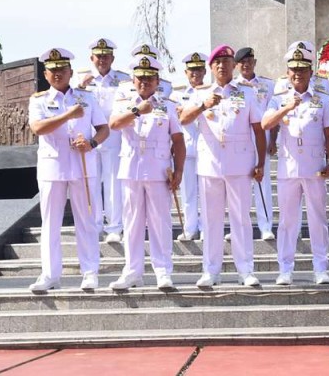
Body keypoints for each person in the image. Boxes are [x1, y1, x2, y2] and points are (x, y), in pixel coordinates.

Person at [180, 45, 267, 288]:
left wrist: (260, 162)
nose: (222, 66)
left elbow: (258, 130)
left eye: (226, 62)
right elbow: (183, 119)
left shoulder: (247, 93)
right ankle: (211, 270)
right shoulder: (201, 93)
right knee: (211, 220)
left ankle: (245, 270)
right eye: (217, 62)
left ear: (234, 65)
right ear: (210, 68)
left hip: (240, 165)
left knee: (241, 219)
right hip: (210, 165)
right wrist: (203, 105)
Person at [28, 48, 109, 292]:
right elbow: (38, 127)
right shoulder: (39, 99)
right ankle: (50, 274)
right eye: (52, 71)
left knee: (86, 220)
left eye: (62, 70)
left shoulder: (86, 97)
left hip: (82, 165)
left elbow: (104, 129)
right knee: (50, 222)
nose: (57, 74)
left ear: (70, 72)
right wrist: (67, 115)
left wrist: (92, 143)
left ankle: (90, 272)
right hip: (53, 166)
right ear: (45, 73)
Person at [108, 55, 186, 290]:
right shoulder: (123, 102)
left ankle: (163, 271)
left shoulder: (168, 105)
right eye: (140, 77)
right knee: (132, 222)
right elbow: (113, 124)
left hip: (159, 169)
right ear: (133, 79)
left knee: (160, 222)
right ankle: (132, 271)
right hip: (131, 168)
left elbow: (178, 140)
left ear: (157, 80)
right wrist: (136, 111)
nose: (145, 82)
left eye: (150, 78)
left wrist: (180, 169)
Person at [262, 45, 329, 285]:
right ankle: (285, 268)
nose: (298, 74)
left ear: (310, 71)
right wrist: (286, 107)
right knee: (287, 221)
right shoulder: (278, 99)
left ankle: (320, 267)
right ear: (287, 71)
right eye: (294, 69)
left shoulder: (322, 99)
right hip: (289, 167)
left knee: (318, 219)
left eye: (303, 69)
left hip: (315, 167)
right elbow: (265, 124)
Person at [74, 38, 130, 241]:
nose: (103, 59)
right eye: (99, 56)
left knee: (114, 181)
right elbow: (72, 103)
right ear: (92, 58)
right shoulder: (81, 79)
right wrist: (80, 86)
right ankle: (95, 224)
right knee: (92, 181)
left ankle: (114, 227)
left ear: (112, 58)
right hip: (89, 136)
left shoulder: (124, 80)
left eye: (106, 56)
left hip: (114, 135)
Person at [235, 46, 277, 241]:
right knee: (239, 186)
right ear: (237, 65)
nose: (246, 65)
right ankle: (237, 226)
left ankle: (265, 225)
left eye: (249, 61)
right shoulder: (233, 87)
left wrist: (273, 139)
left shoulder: (268, 85)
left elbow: (274, 113)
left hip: (262, 138)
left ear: (255, 63)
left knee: (263, 183)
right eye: (242, 62)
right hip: (239, 141)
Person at [169, 52, 209, 241]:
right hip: (186, 148)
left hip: (208, 149)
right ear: (186, 72)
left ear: (205, 71)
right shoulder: (177, 94)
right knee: (188, 192)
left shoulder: (211, 92)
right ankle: (190, 227)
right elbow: (175, 120)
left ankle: (206, 228)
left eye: (199, 69)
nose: (196, 73)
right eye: (192, 70)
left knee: (207, 193)